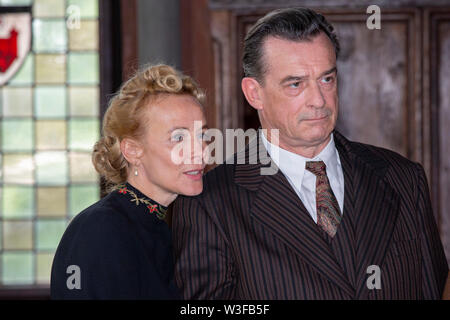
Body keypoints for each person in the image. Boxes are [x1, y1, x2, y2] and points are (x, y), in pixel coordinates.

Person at [172, 7, 449, 299]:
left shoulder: (403, 178)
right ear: (254, 93)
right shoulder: (210, 202)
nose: (318, 100)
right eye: (296, 84)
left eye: (326, 79)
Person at [51, 64, 208, 299]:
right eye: (178, 138)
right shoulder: (100, 229)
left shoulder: (163, 225)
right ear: (133, 151)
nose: (200, 151)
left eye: (202, 135)